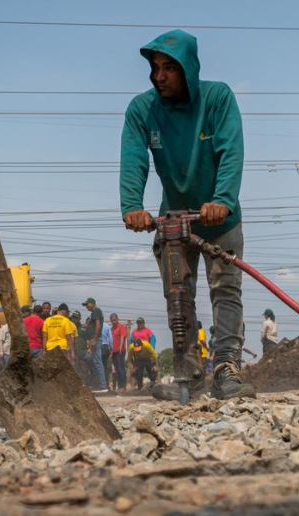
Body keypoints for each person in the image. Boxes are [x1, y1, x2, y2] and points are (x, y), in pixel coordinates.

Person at [119, 29, 253, 401]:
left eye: (169, 68)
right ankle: (189, 376)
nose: (159, 76)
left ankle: (226, 369)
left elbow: (231, 151)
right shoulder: (142, 109)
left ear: (189, 69)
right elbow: (133, 158)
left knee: (226, 290)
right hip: (174, 220)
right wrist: (132, 205)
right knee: (179, 297)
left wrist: (222, 199)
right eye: (155, 68)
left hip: (220, 219)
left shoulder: (217, 98)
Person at [82, 298, 108, 392]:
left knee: (97, 361)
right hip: (94, 339)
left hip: (95, 339)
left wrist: (95, 339)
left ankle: (103, 386)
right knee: (90, 359)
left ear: (92, 303)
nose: (86, 307)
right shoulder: (94, 312)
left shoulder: (96, 311)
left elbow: (98, 325)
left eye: (87, 305)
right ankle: (97, 384)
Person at [109, 313, 129, 392]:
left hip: (120, 351)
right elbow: (111, 341)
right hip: (113, 352)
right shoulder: (111, 329)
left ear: (117, 319)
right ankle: (119, 385)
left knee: (121, 368)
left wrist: (120, 348)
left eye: (114, 319)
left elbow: (122, 337)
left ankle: (123, 386)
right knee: (117, 369)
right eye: (112, 320)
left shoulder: (122, 327)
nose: (113, 321)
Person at [100, 320, 113, 391]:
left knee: (98, 366)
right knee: (104, 366)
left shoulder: (95, 325)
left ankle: (101, 384)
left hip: (98, 347)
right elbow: (110, 339)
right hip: (105, 347)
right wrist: (111, 348)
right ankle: (106, 385)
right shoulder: (107, 326)